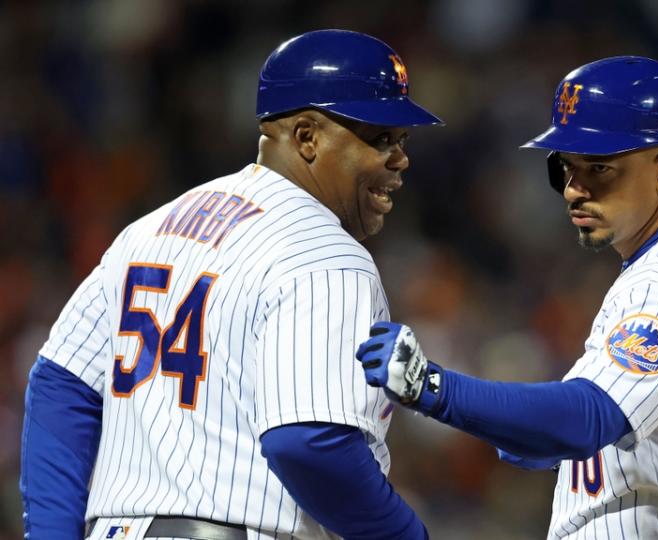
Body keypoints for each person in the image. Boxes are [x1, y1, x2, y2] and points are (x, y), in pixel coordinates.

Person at [20, 29, 441, 540]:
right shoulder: (330, 256)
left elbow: (62, 385)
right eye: (380, 139)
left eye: (401, 141)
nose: (400, 160)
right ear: (306, 137)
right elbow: (308, 442)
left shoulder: (152, 227)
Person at [356, 56, 658, 538]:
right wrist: (513, 420)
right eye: (565, 167)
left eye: (599, 167)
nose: (573, 190)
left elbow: (585, 420)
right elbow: (551, 443)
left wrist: (431, 387)